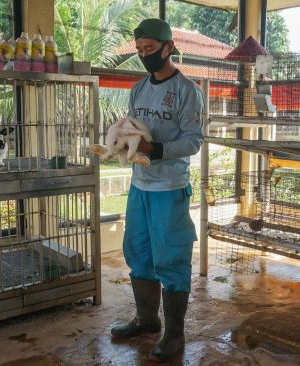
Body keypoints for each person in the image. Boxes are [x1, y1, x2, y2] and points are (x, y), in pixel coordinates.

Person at [110, 18, 204, 362]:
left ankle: (174, 333)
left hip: (169, 186)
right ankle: (146, 318)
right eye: (139, 50)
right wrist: (124, 142)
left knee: (171, 256)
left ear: (169, 48)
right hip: (140, 184)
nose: (144, 55)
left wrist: (155, 150)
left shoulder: (187, 91)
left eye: (150, 49)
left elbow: (194, 141)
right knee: (138, 250)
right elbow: (135, 128)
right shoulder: (138, 88)